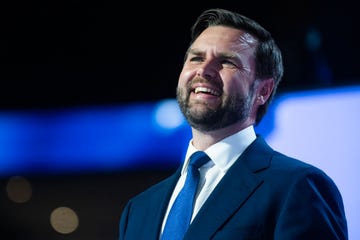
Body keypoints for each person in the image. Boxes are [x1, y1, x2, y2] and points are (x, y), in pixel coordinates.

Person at [118, 8, 348, 240]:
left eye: (227, 62)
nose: (203, 70)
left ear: (263, 91)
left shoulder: (297, 187)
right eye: (196, 58)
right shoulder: (138, 210)